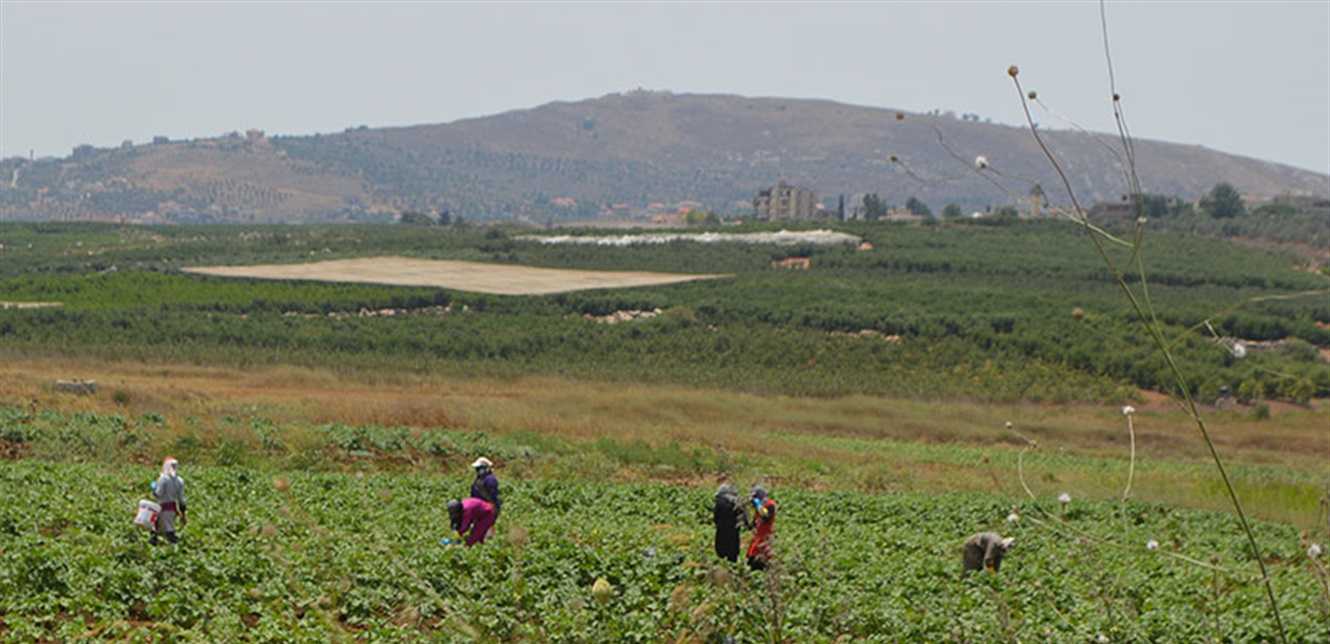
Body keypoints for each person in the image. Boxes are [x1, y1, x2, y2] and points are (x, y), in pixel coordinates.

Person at [151, 457, 186, 545]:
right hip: (172, 509)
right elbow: (181, 499)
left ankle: (173, 547)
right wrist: (183, 514)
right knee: (168, 528)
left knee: (161, 531)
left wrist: (153, 488)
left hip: (162, 508)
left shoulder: (163, 479)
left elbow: (158, 494)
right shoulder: (180, 480)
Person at [712, 482, 749, 562]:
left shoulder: (720, 501)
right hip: (734, 532)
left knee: (721, 552)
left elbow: (715, 517)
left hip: (721, 530)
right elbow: (744, 517)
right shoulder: (737, 502)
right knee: (732, 553)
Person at [745, 484, 777, 570]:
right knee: (750, 559)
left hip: (765, 538)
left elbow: (765, 516)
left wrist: (757, 503)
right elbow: (751, 526)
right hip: (758, 538)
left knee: (761, 560)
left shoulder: (770, 505)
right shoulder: (759, 509)